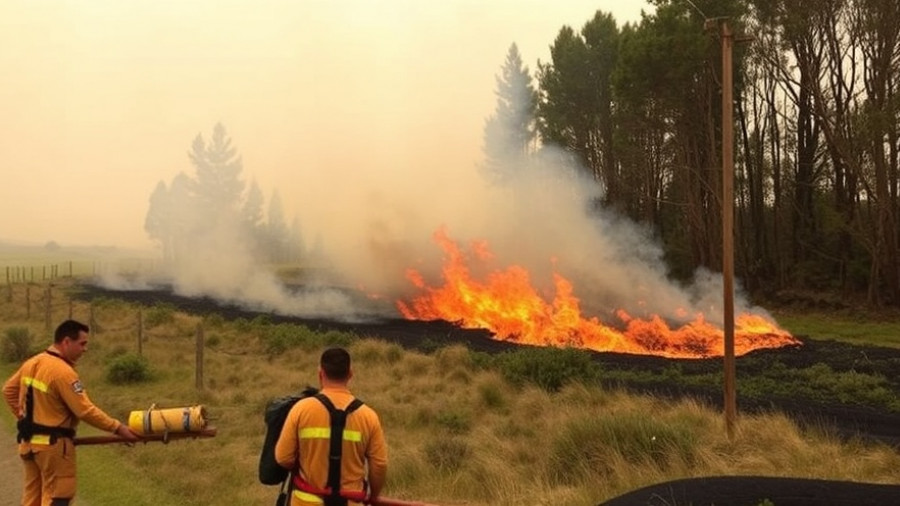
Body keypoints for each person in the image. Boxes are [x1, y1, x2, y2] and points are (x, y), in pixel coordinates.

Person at [2, 319, 140, 506]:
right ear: (66, 341)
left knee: (32, 498)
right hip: (53, 448)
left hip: (28, 443)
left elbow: (9, 390)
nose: (85, 349)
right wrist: (118, 428)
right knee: (57, 497)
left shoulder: (33, 362)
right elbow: (84, 410)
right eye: (82, 343)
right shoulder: (63, 372)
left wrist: (26, 420)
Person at [275, 347, 388, 506]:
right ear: (350, 374)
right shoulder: (369, 416)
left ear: (320, 374)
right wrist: (374, 496)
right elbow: (380, 465)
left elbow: (283, 458)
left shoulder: (301, 409)